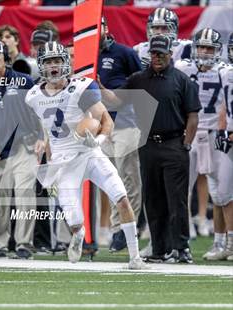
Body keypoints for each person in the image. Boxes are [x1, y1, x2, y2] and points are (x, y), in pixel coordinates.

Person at [25, 42, 146, 269]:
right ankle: (78, 234)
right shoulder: (32, 96)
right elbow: (46, 129)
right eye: (49, 61)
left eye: (58, 61)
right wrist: (47, 156)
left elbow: (106, 121)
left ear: (66, 63)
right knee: (75, 221)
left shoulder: (81, 87)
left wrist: (97, 140)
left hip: (89, 152)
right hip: (63, 161)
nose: (54, 66)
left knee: (121, 196)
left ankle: (135, 258)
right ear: (41, 65)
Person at [123, 35, 200, 263]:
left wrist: (186, 143)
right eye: (153, 53)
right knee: (153, 199)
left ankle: (181, 248)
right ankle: (159, 249)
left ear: (170, 54)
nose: (156, 57)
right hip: (147, 144)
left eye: (161, 54)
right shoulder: (138, 79)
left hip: (174, 143)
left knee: (177, 200)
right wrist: (97, 84)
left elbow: (193, 116)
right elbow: (115, 99)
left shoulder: (181, 80)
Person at [0, 39, 44, 259]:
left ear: (5, 57)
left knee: (25, 194)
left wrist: (42, 137)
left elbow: (39, 111)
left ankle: (24, 244)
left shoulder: (24, 81)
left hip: (24, 145)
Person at [175, 28, 226, 259]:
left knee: (221, 192)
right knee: (180, 188)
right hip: (190, 133)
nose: (205, 52)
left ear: (218, 50)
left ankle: (222, 241)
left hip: (216, 134)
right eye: (201, 47)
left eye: (210, 48)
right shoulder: (183, 68)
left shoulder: (225, 72)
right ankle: (180, 239)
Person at [97, 16, 143, 251]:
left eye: (101, 25)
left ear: (107, 27)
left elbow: (141, 81)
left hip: (125, 122)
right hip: (100, 125)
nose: (99, 30)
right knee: (110, 180)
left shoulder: (124, 53)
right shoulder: (87, 57)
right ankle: (117, 229)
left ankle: (131, 229)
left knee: (129, 179)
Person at [208, 32, 233, 261]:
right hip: (227, 137)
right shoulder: (226, 73)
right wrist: (223, 130)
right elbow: (224, 104)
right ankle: (228, 244)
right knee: (222, 193)